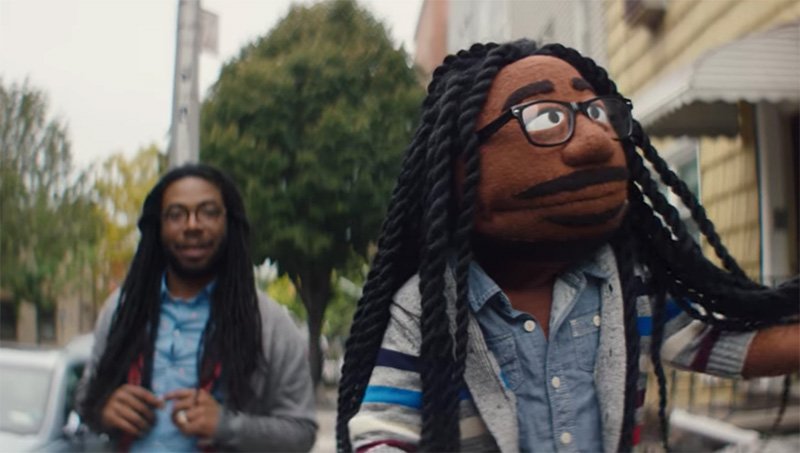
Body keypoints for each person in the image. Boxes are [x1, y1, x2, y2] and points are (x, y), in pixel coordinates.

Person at [336, 40, 800, 452]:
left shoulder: (629, 287)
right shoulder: (427, 308)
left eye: (597, 113)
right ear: (458, 169)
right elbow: (384, 427)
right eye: (546, 118)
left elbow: (719, 345)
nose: (595, 140)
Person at [76, 164, 317, 452]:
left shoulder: (269, 323)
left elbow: (301, 432)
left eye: (209, 212)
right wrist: (104, 410)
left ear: (229, 222)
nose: (192, 225)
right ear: (158, 226)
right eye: (176, 214)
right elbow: (85, 400)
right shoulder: (122, 311)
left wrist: (226, 426)